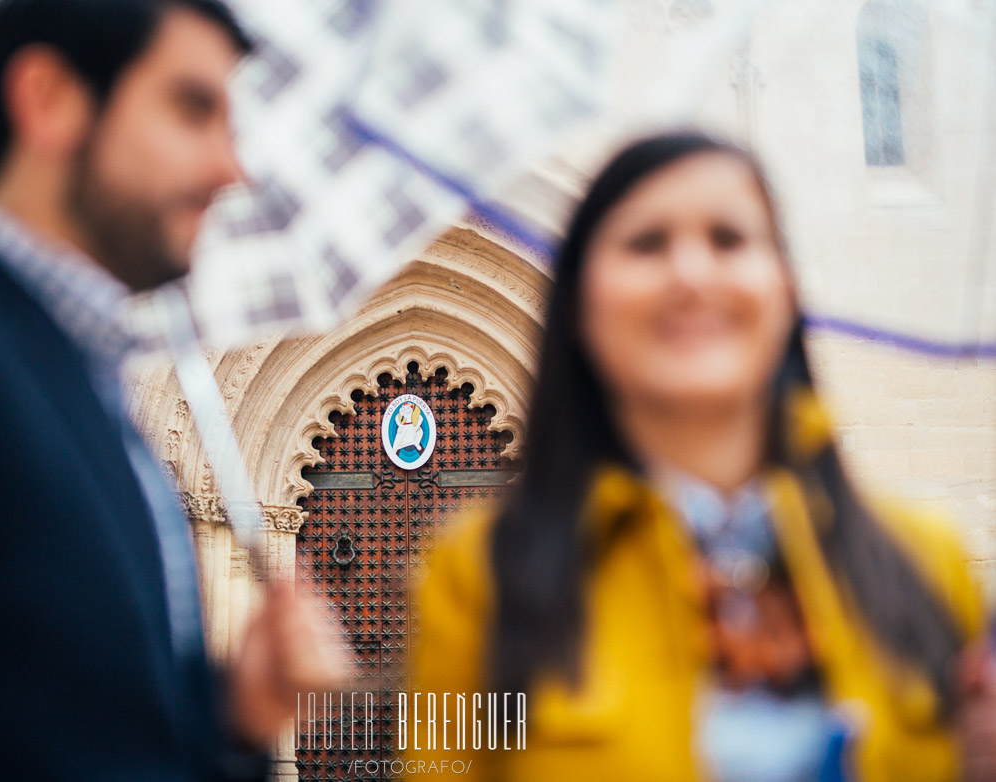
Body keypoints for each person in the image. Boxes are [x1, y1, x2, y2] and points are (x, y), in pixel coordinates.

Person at [0, 0, 345, 779]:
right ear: (49, 99)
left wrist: (234, 713)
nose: (229, 168)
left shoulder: (93, 390)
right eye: (191, 107)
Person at [407, 131, 993, 781]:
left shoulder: (928, 566)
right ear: (578, 300)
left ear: (786, 288)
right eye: (646, 243)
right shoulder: (474, 579)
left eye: (728, 240)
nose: (690, 273)